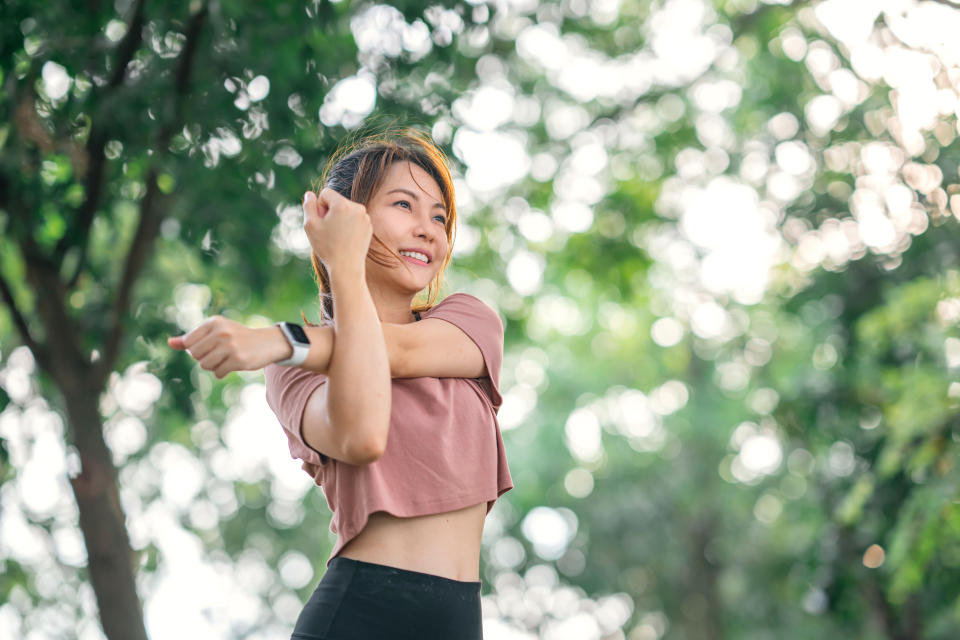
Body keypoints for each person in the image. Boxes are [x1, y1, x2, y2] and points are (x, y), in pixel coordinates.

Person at [167, 129, 513, 639]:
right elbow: (362, 436)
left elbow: (397, 351)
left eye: (439, 216)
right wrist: (342, 269)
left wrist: (280, 339)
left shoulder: (468, 320)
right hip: (359, 611)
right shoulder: (291, 371)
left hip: (459, 620)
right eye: (404, 205)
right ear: (348, 221)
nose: (428, 229)